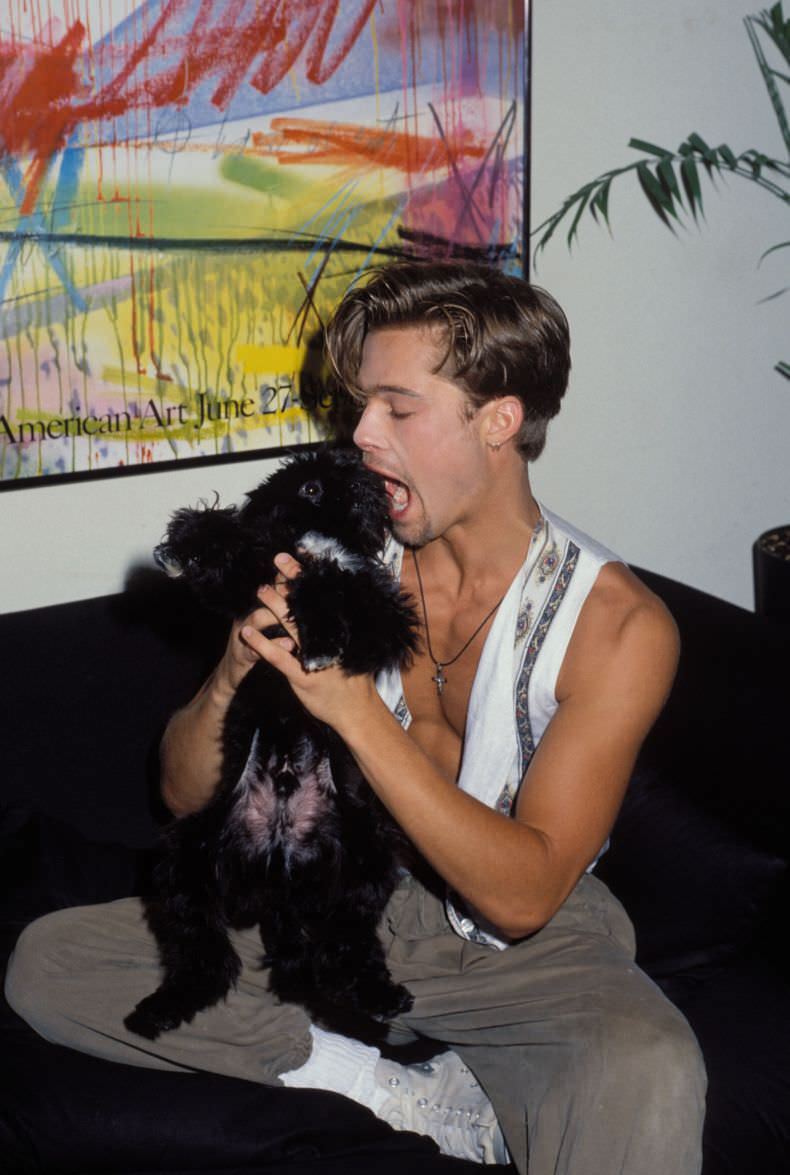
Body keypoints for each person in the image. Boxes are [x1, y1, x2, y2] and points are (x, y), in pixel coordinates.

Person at [6, 261, 706, 1174]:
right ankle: (391, 1089)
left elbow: (524, 893)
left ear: (499, 420)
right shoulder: (335, 548)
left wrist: (348, 705)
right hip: (339, 898)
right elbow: (182, 795)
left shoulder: (618, 626)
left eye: (396, 408)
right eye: (358, 406)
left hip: (528, 944)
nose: (361, 435)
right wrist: (230, 674)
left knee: (651, 1069)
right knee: (50, 962)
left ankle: (489, 1063)